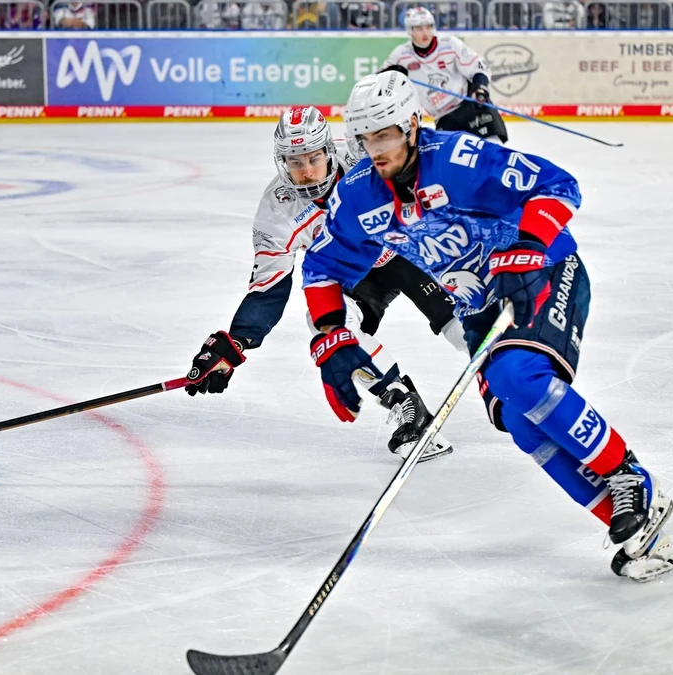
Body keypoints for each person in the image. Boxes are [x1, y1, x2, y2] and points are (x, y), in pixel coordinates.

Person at [299, 72, 673, 582]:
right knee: (520, 420)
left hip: (542, 271)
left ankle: (628, 476)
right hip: (479, 307)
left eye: (386, 135)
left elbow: (558, 185)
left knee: (517, 379)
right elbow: (322, 267)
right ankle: (635, 531)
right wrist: (331, 338)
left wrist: (526, 250)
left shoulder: (459, 159)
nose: (376, 149)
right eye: (366, 138)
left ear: (412, 126)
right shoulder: (357, 199)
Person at [184, 106, 464, 462]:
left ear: (331, 151)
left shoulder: (365, 157)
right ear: (281, 163)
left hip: (408, 251)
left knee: (462, 330)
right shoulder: (277, 210)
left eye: (313, 158)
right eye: (294, 162)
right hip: (354, 274)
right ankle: (406, 404)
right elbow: (269, 283)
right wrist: (236, 340)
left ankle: (522, 373)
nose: (305, 171)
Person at [383, 7, 508, 143]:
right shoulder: (401, 55)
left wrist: (480, 86)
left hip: (470, 106)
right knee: (454, 162)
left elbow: (478, 67)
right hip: (445, 118)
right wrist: (393, 76)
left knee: (492, 153)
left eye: (429, 27)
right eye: (419, 28)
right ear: (410, 30)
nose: (425, 32)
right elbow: (381, 81)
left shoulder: (450, 45)